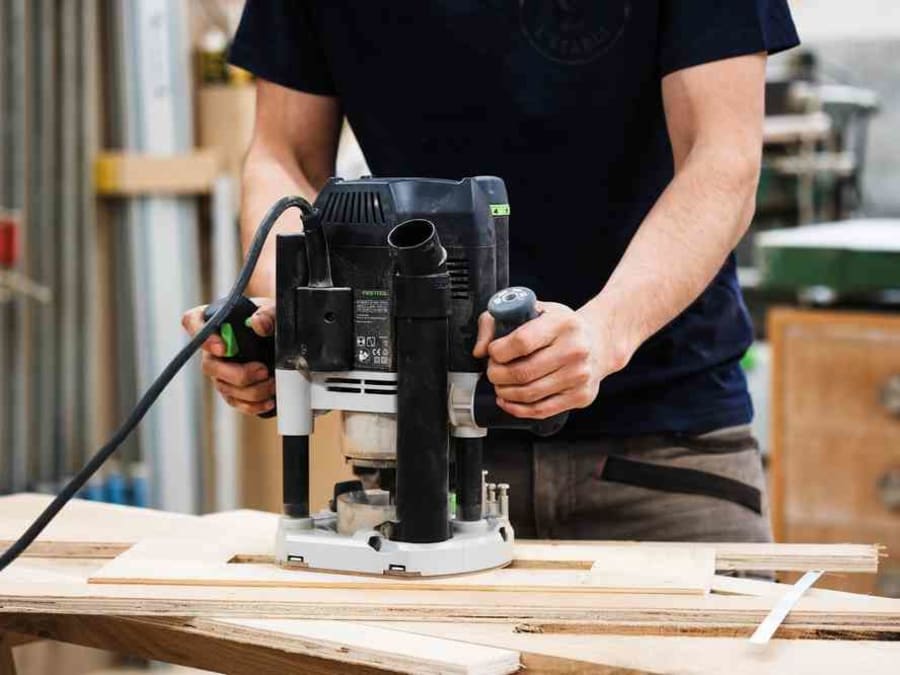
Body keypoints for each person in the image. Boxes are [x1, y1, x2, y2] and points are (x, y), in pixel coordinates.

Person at [183, 1, 799, 543]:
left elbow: (721, 158)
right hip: (420, 456)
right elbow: (283, 155)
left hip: (664, 453)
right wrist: (287, 314)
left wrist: (605, 331)